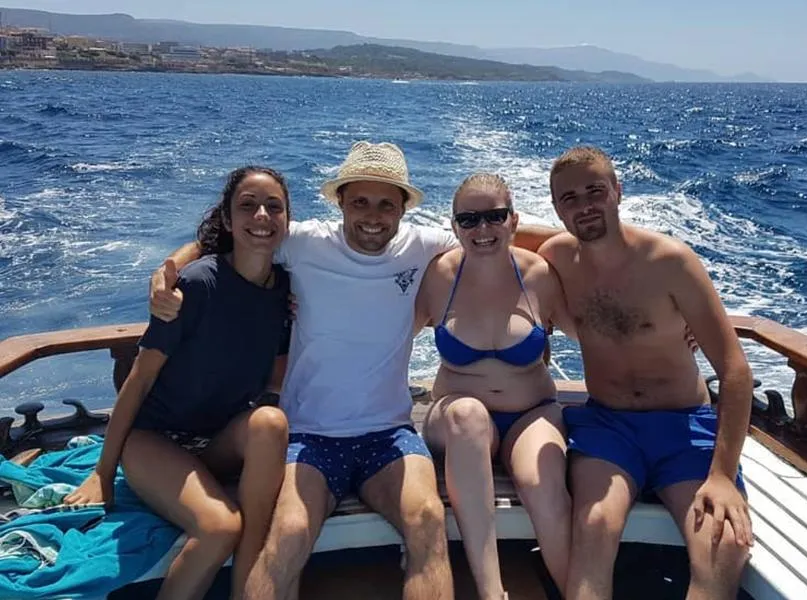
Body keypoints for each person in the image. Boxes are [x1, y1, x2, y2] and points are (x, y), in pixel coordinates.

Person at [149, 142, 559, 600]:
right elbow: (223, 240)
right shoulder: (302, 243)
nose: (373, 216)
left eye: (386, 204)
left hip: (390, 435)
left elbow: (493, 231)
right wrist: (169, 271)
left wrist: (580, 238)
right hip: (310, 436)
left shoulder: (421, 246)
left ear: (403, 209)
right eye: (360, 201)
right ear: (340, 202)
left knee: (427, 522)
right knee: (288, 534)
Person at [64, 167, 293, 600]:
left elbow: (276, 374)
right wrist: (102, 472)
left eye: (273, 206)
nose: (262, 215)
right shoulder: (196, 284)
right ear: (228, 219)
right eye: (247, 205)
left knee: (271, 422)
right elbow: (140, 378)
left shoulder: (286, 289)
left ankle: (248, 590)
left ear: (287, 220)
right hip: (155, 440)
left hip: (215, 441)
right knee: (220, 526)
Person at [538, 146, 754, 600]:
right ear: (556, 208)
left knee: (723, 545)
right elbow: (500, 236)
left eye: (596, 191)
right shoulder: (556, 257)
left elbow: (734, 371)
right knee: (594, 524)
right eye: (569, 198)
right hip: (608, 426)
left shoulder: (670, 262)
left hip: (685, 427)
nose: (584, 206)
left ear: (618, 191)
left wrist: (721, 476)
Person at [413, 173, 573, 599]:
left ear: (513, 220)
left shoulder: (539, 274)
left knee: (543, 486)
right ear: (454, 226)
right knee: (468, 416)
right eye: (468, 219)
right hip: (456, 417)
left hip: (531, 413)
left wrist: (674, 325)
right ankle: (492, 592)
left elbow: (594, 331)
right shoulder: (438, 276)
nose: (482, 229)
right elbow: (386, 335)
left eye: (494, 216)